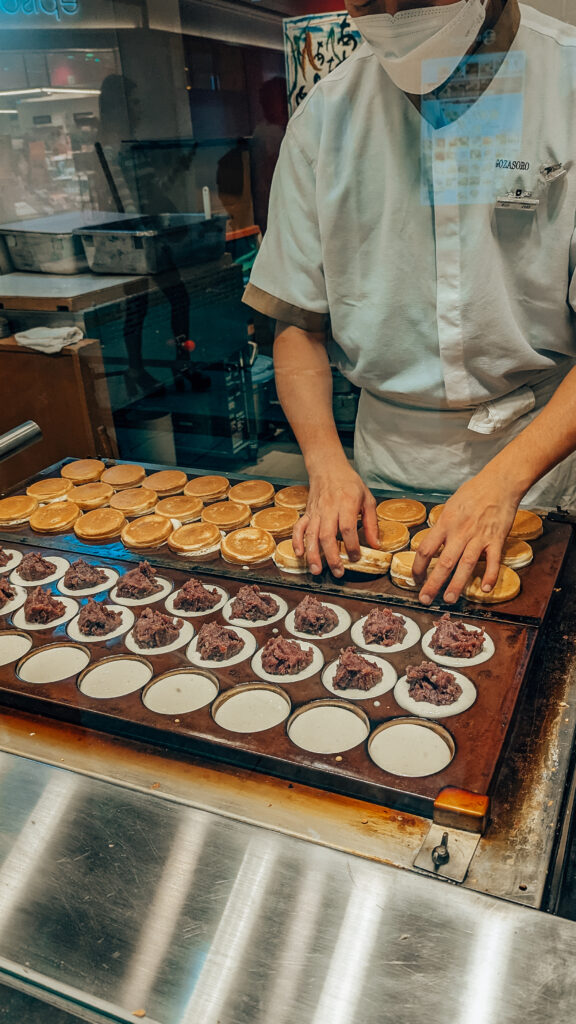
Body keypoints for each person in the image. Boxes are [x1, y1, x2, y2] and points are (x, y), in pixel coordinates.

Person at [243, 0, 576, 605]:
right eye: (372, 1)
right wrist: (324, 464)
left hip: (537, 462)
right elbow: (298, 323)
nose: (396, 14)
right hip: (379, 466)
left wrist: (503, 483)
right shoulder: (327, 114)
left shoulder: (568, 83)